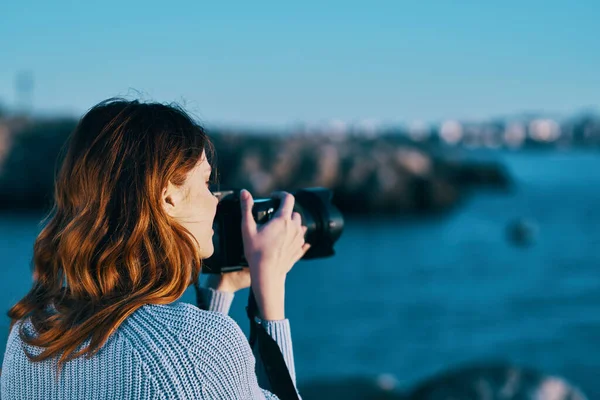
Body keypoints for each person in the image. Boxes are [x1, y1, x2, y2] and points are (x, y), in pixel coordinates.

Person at [1, 99, 309, 399]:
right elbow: (186, 368)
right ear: (167, 197)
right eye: (204, 182)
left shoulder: (31, 335)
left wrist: (221, 291)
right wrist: (270, 287)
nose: (214, 200)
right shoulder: (200, 347)